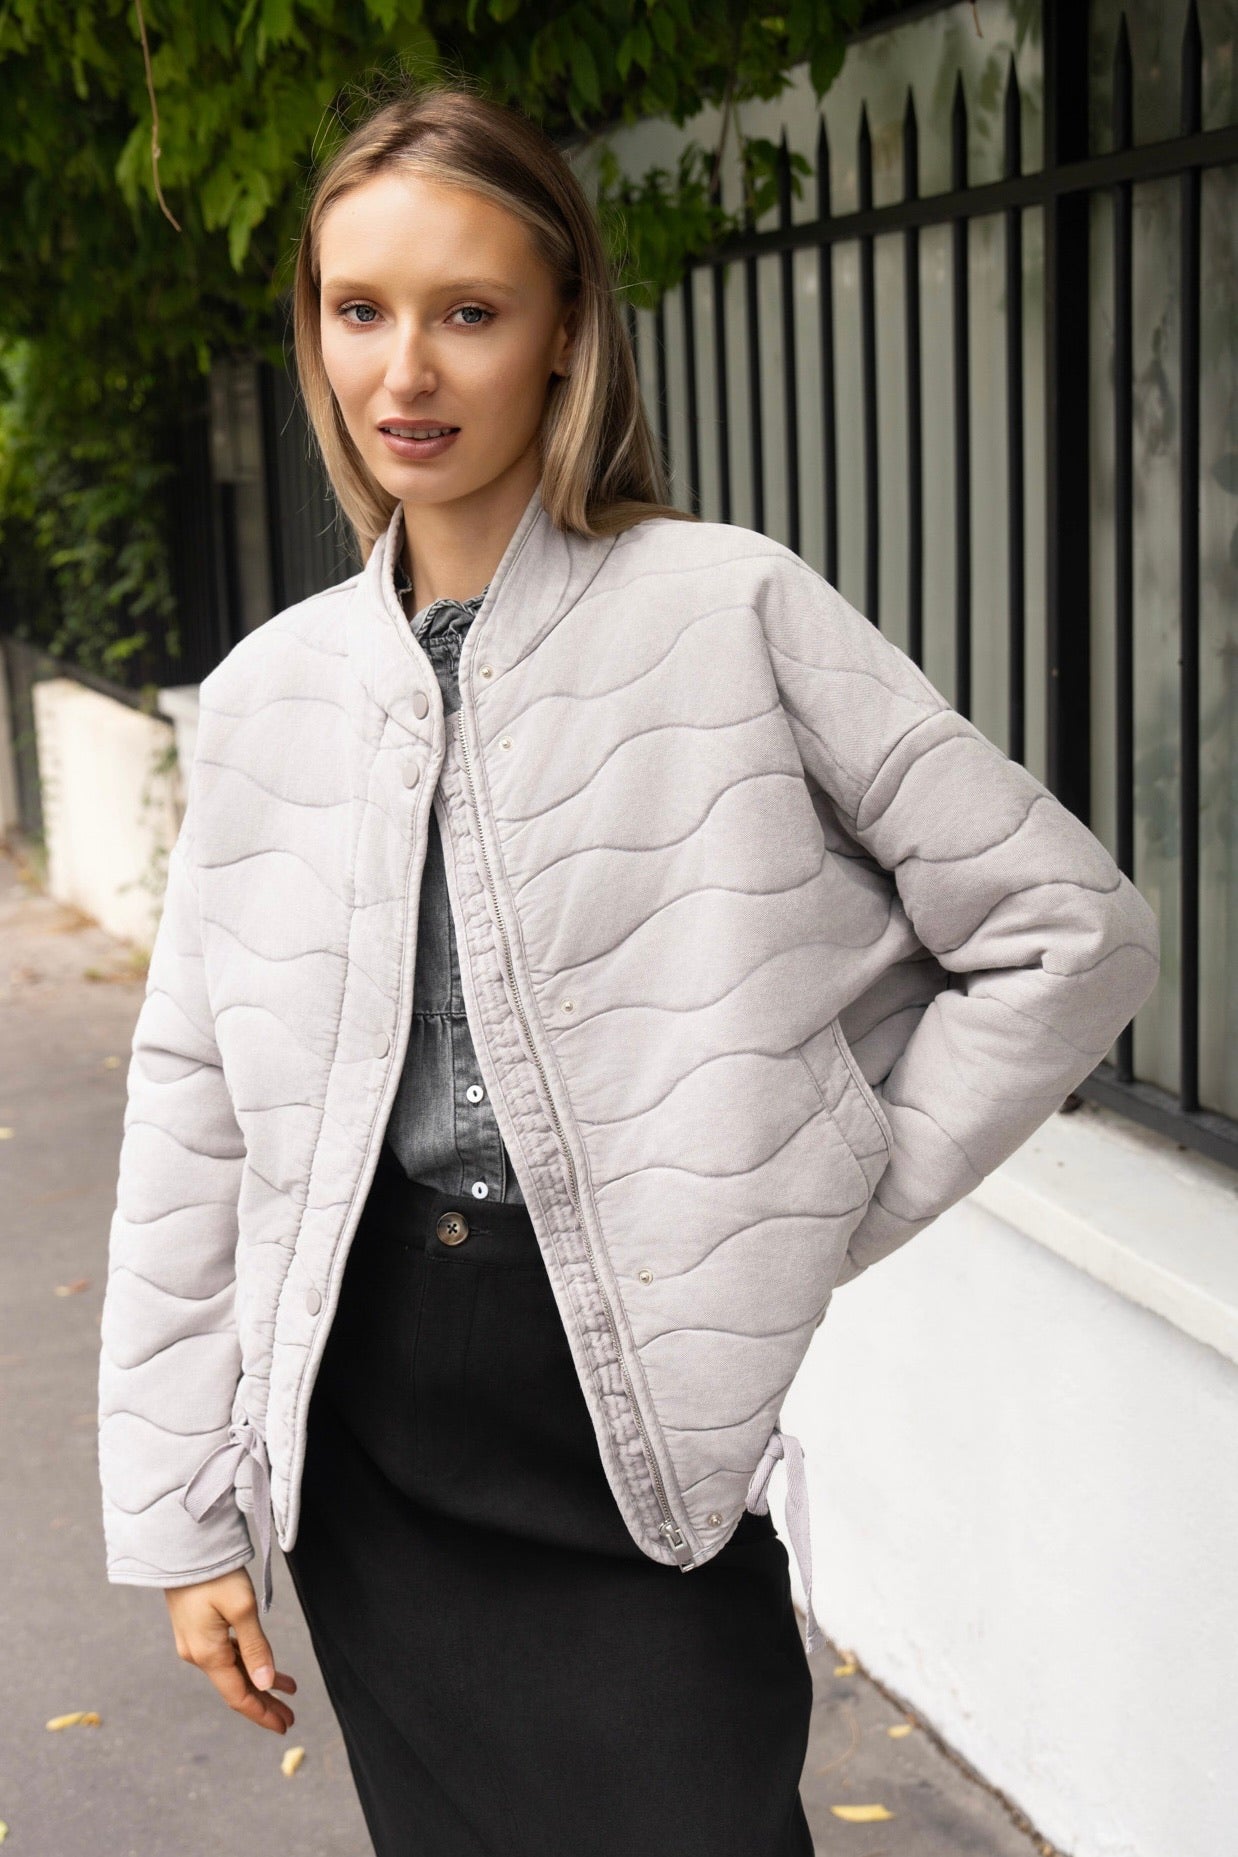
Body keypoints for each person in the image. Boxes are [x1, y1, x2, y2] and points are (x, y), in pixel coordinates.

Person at [96, 78, 1160, 1857]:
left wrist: (811, 1198)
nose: (403, 372)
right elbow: (194, 1104)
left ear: (565, 329)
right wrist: (179, 1512)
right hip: (365, 1424)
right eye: (358, 310)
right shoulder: (273, 691)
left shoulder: (726, 607)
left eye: (468, 310)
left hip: (627, 1416)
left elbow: (1067, 928)